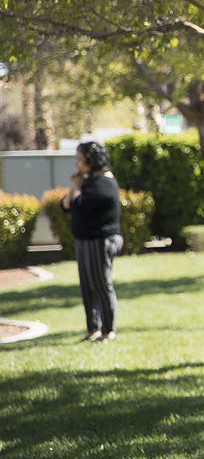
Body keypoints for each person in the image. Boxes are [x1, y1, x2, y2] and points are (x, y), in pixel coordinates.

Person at [62, 140, 123, 342]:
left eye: (80, 159)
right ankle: (93, 329)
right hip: (84, 241)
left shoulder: (104, 183)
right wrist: (74, 187)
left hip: (100, 240)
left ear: (91, 160)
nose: (77, 164)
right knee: (87, 286)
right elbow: (66, 206)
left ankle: (108, 330)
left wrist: (77, 189)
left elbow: (81, 205)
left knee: (101, 284)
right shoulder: (87, 181)